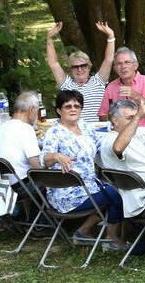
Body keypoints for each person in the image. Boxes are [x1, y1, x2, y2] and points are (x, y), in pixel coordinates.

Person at [39, 90, 126, 250]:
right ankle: (112, 240)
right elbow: (44, 158)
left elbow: (100, 142)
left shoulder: (85, 126)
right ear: (59, 110)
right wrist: (57, 156)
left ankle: (84, 232)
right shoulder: (54, 132)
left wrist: (121, 141)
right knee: (116, 195)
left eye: (77, 106)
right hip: (66, 194)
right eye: (67, 106)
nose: (73, 109)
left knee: (117, 189)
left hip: (89, 186)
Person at [95, 98, 145, 250]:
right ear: (115, 120)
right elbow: (118, 147)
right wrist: (138, 116)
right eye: (129, 118)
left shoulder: (135, 136)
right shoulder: (109, 141)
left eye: (134, 117)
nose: (134, 122)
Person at [43, 21, 116, 125]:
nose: (80, 69)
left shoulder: (98, 81)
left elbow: (108, 59)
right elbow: (53, 63)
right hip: (74, 131)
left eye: (83, 66)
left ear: (89, 67)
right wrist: (49, 39)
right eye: (75, 67)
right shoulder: (67, 84)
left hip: (97, 129)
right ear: (70, 69)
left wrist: (111, 36)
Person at [0, 91, 66, 185]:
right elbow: (38, 166)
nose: (36, 116)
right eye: (36, 111)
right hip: (19, 185)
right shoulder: (26, 129)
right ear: (31, 109)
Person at [102, 47, 145, 125]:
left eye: (127, 62)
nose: (123, 66)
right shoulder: (111, 87)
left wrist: (135, 96)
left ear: (135, 65)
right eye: (119, 63)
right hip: (120, 132)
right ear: (115, 68)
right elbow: (103, 114)